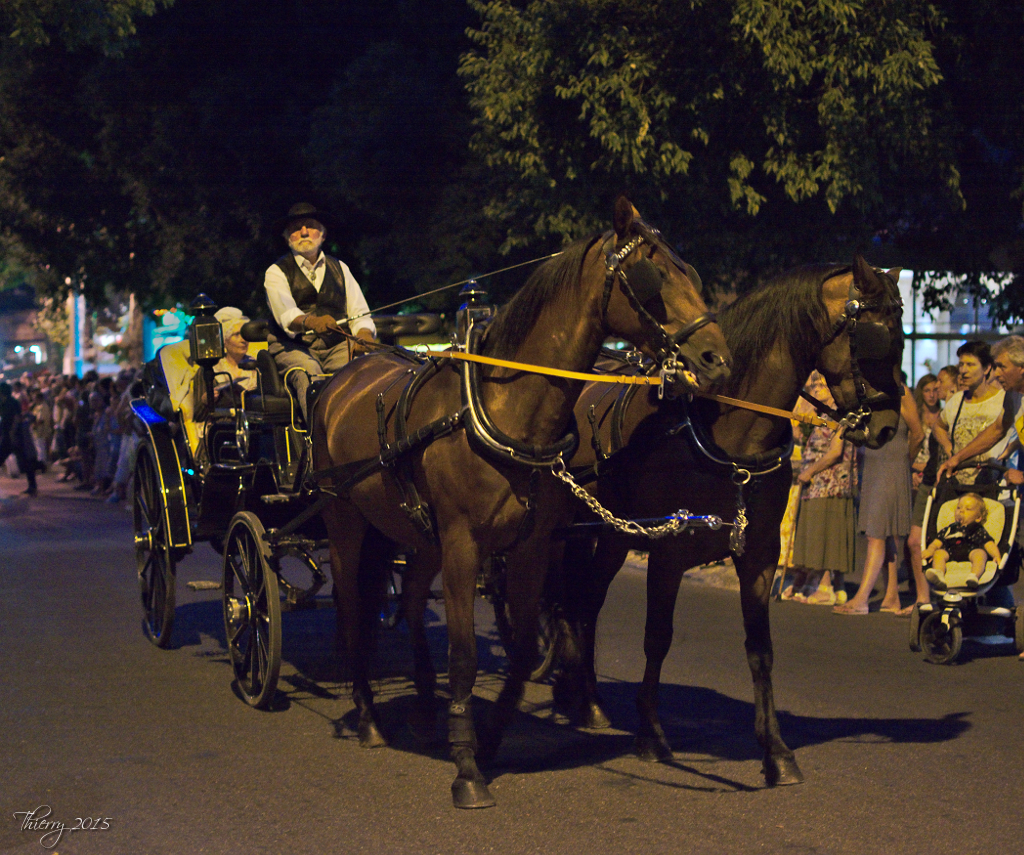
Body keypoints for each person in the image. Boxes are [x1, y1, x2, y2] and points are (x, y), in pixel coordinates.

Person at [937, 335, 1024, 659]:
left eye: (1001, 366)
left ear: (1021, 367)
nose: (996, 372)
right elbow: (999, 430)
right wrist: (959, 457)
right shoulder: (1014, 397)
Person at [263, 202, 376, 423]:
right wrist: (312, 322)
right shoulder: (276, 272)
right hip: (294, 347)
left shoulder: (341, 268)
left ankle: (362, 434)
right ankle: (318, 440)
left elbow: (360, 313)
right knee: (309, 372)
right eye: (296, 228)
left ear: (323, 235)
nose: (304, 232)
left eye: (311, 226)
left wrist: (363, 334)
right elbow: (287, 316)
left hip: (335, 346)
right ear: (287, 238)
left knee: (360, 371)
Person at [834, 382, 923, 615]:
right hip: (874, 466)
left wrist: (905, 463)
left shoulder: (898, 390)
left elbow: (918, 433)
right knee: (886, 533)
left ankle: (861, 599)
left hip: (892, 466)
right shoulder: (866, 392)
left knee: (876, 534)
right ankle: (891, 596)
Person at [781, 373, 856, 605]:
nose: (815, 389)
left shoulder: (840, 415)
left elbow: (835, 451)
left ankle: (825, 585)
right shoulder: (822, 415)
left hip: (830, 483)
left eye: (820, 385)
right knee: (822, 532)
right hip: (819, 484)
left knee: (827, 534)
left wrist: (810, 471)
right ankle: (835, 585)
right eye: (813, 384)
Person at [921, 493, 1000, 590]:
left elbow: (989, 544)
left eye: (968, 509)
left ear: (978, 518)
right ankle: (939, 574)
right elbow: (936, 543)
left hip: (971, 550)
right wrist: (930, 550)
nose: (961, 511)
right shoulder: (949, 529)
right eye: (958, 508)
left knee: (980, 554)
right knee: (938, 553)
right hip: (950, 551)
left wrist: (997, 556)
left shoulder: (977, 529)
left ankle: (974, 576)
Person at [0, 381, 39, 495]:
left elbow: (17, 418)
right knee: (21, 460)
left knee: (25, 461)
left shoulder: (13, 403)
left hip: (15, 436)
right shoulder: (3, 403)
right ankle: (32, 485)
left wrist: (12, 433)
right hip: (8, 436)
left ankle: (32, 486)